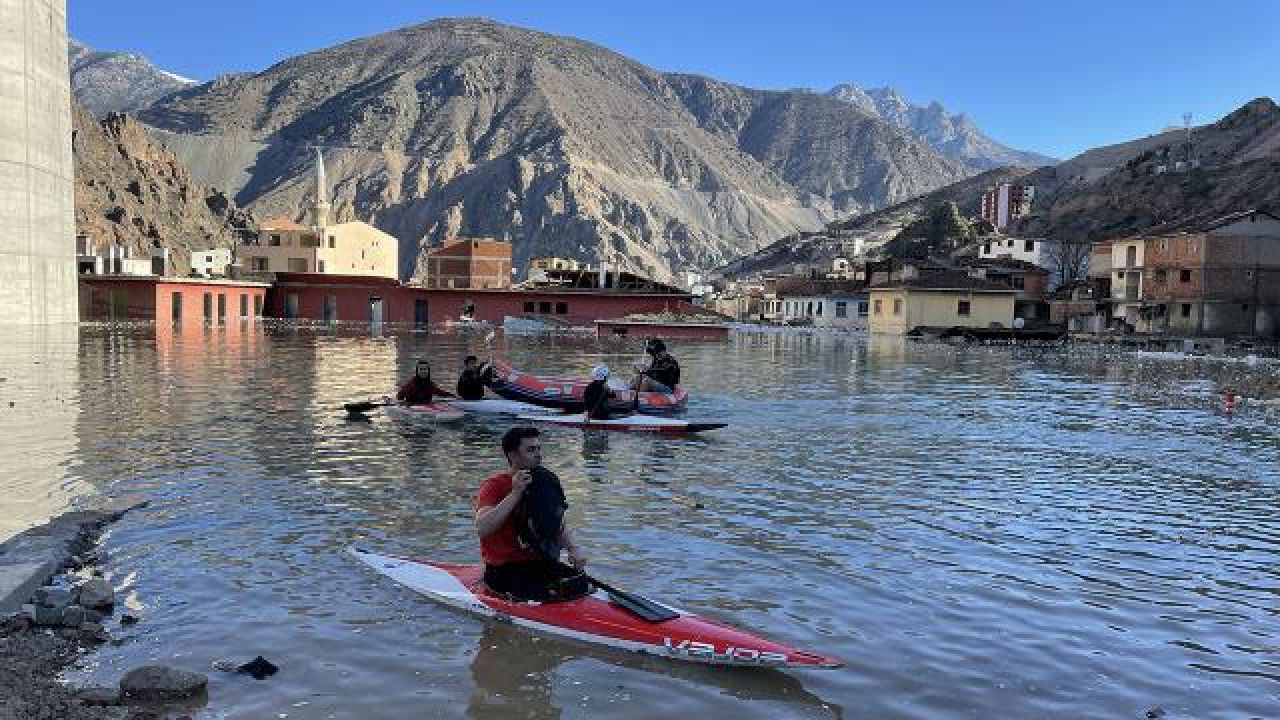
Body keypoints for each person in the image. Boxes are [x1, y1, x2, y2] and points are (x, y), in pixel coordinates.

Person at [474, 427, 589, 602]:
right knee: (543, 595)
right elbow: (483, 528)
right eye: (530, 450)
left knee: (580, 583)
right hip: (504, 568)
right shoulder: (494, 485)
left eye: (538, 448)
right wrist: (515, 494)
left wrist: (574, 549)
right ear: (513, 456)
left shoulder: (544, 481)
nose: (538, 454)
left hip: (536, 563)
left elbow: (557, 523)